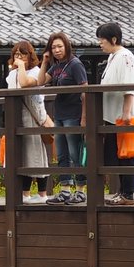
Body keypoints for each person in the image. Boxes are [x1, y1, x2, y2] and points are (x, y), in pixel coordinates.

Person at [96, 21, 134, 205]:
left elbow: (129, 86)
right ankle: (122, 192)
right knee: (117, 155)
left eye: (102, 40)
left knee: (127, 154)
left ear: (113, 39)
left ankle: (128, 194)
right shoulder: (113, 57)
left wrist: (125, 113)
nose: (100, 43)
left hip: (125, 115)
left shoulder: (125, 56)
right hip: (113, 114)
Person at [41, 31, 88, 204]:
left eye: (59, 46)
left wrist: (84, 117)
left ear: (66, 46)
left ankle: (81, 190)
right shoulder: (57, 66)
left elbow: (85, 91)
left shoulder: (75, 64)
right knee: (61, 154)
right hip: (59, 114)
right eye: (53, 47)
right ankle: (65, 190)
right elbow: (40, 81)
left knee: (75, 153)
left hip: (73, 113)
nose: (57, 50)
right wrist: (45, 62)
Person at [5, 41, 53, 201]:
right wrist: (17, 69)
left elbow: (24, 84)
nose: (18, 57)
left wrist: (20, 68)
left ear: (29, 55)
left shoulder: (35, 71)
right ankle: (24, 193)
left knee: (37, 156)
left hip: (34, 118)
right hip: (17, 118)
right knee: (21, 156)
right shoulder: (12, 73)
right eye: (16, 54)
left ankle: (42, 194)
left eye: (22, 54)